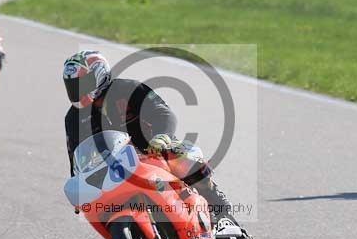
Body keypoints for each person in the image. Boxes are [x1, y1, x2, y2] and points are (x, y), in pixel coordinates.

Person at [62, 50, 234, 224]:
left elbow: (163, 112)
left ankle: (217, 204)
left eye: (82, 83)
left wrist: (162, 136)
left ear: (99, 76)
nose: (77, 90)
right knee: (98, 208)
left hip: (154, 148)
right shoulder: (73, 119)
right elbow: (76, 158)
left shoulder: (127, 89)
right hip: (116, 169)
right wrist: (79, 189)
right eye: (73, 85)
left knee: (182, 158)